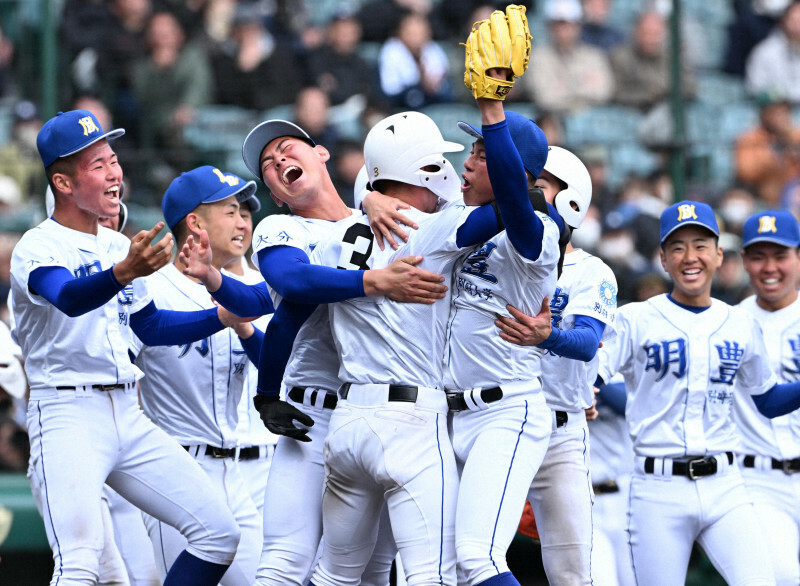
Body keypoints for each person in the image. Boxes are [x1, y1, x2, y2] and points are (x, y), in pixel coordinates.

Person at [179, 117, 449, 586]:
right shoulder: (279, 226)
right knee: (286, 560)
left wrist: (369, 196)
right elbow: (289, 288)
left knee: (372, 569)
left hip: (380, 411)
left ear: (321, 154)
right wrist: (375, 281)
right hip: (310, 414)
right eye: (267, 163)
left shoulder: (373, 218)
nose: (279, 159)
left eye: (286, 147)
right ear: (276, 193)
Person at [10, 108, 246, 585]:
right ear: (63, 182)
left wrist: (221, 315)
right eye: (97, 165)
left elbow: (152, 327)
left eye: (113, 158)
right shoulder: (37, 246)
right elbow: (69, 299)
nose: (115, 172)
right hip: (66, 414)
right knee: (79, 563)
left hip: (128, 411)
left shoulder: (119, 246)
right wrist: (124, 272)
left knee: (218, 533)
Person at [595, 199, 800, 584]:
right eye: (678, 247)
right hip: (658, 486)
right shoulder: (635, 318)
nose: (691, 257)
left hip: (727, 484)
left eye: (701, 245)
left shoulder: (740, 323)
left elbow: (769, 401)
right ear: (663, 258)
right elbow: (591, 378)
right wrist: (584, 392)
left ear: (720, 255)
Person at [133, 165, 265, 584]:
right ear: (194, 221)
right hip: (179, 470)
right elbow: (130, 351)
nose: (243, 220)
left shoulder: (248, 292)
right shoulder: (151, 288)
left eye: (244, 210)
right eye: (230, 210)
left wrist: (241, 322)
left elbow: (276, 364)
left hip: (239, 474)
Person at [492, 146, 617, 585]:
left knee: (571, 574)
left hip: (560, 434)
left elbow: (586, 344)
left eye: (538, 188)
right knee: (469, 560)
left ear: (571, 202)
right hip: (494, 421)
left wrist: (549, 337)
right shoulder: (491, 253)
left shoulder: (592, 271)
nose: (525, 197)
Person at [735, 209, 800, 585]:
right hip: (759, 479)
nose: (769, 267)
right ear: (744, 261)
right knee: (779, 576)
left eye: (780, 255)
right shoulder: (728, 321)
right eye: (759, 256)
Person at [522, 0, 614, 114]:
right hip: (552, 117)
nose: (565, 30)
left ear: (579, 26)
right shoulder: (538, 57)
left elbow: (603, 92)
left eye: (570, 24)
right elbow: (545, 98)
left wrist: (565, 91)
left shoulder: (594, 55)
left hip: (589, 116)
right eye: (559, 24)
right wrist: (582, 90)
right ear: (550, 27)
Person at [609, 10, 696, 110]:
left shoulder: (671, 57)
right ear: (637, 33)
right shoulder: (621, 57)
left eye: (656, 34)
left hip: (667, 107)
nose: (652, 39)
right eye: (647, 33)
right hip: (634, 110)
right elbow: (614, 92)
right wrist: (647, 95)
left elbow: (690, 87)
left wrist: (665, 92)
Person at [734, 90, 800, 205]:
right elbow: (745, 172)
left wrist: (789, 143)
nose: (780, 116)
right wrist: (773, 153)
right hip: (761, 199)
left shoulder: (796, 135)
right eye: (774, 111)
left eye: (783, 110)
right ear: (763, 114)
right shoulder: (750, 139)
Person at [746, 1, 800, 103]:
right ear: (784, 20)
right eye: (794, 19)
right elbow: (755, 88)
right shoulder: (764, 51)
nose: (797, 25)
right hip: (772, 109)